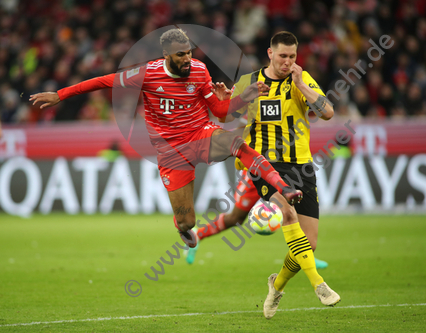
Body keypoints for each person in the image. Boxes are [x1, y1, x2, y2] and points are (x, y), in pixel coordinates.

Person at [29, 28, 302, 250]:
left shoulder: (199, 71)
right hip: (171, 151)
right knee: (187, 221)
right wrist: (60, 95)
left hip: (201, 133)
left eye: (190, 52)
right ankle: (181, 225)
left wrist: (243, 96)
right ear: (166, 54)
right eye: (180, 54)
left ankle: (283, 187)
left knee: (237, 144)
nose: (187, 59)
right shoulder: (147, 74)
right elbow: (102, 81)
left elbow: (219, 111)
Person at [206, 31, 340, 318]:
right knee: (287, 214)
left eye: (292, 57)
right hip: (263, 163)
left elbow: (327, 112)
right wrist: (223, 102)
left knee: (309, 244)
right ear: (270, 54)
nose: (287, 62)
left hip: (301, 165)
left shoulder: (301, 80)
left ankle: (276, 285)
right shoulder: (250, 81)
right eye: (283, 56)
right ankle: (320, 286)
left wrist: (301, 85)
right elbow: (226, 115)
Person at [185, 113, 329, 270]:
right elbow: (239, 132)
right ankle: (198, 234)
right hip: (259, 170)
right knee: (236, 218)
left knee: (293, 208)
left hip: (286, 166)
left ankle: (305, 254)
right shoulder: (255, 105)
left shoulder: (285, 97)